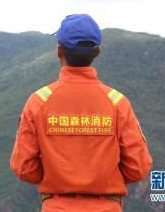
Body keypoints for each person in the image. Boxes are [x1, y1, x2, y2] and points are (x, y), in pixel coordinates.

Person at [10, 14, 153, 212]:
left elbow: (24, 168)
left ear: (59, 51)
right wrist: (103, 178)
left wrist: (56, 174)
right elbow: (138, 167)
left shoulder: (38, 102)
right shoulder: (117, 103)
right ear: (97, 52)